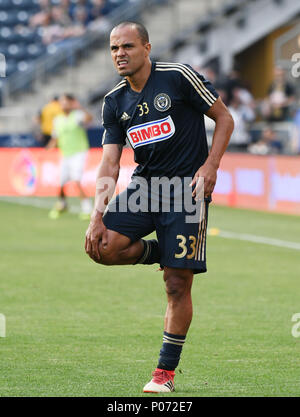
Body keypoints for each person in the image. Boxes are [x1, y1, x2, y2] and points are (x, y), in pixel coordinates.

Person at [85, 22, 234, 393]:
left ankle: (164, 375)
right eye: (114, 48)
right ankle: (160, 252)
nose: (120, 53)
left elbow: (225, 118)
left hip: (187, 192)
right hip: (145, 189)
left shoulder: (179, 77)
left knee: (176, 284)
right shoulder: (113, 101)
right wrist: (96, 215)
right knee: (102, 247)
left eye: (128, 46)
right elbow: (109, 163)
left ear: (147, 48)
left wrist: (210, 165)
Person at [48, 93, 93, 220]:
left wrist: (79, 107)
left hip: (79, 152)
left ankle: (87, 208)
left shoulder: (77, 116)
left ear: (71, 103)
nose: (63, 105)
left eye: (65, 102)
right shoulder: (57, 120)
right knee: (61, 182)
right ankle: (62, 205)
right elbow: (55, 137)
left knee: (76, 180)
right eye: (61, 102)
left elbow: (89, 118)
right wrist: (48, 148)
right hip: (65, 154)